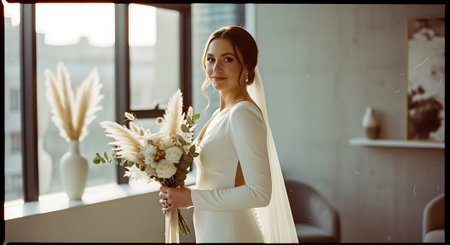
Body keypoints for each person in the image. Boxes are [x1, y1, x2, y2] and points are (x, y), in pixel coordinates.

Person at [159, 25, 298, 243]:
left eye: (228, 59)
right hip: (213, 230)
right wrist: (180, 195)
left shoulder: (243, 113)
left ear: (247, 67)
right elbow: (220, 182)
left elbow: (259, 193)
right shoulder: (221, 113)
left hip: (231, 233)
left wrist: (191, 197)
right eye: (211, 59)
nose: (216, 68)